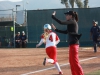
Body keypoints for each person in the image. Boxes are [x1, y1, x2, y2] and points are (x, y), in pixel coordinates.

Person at [52, 11, 84, 75]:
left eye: (67, 15)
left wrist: (53, 16)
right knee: (71, 62)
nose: (66, 16)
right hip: (72, 45)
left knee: (75, 62)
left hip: (74, 45)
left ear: (71, 16)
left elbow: (61, 22)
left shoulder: (72, 21)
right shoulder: (71, 23)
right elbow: (66, 32)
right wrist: (56, 30)